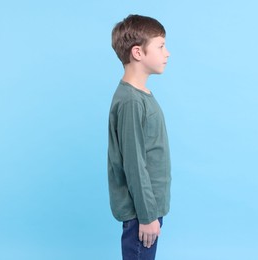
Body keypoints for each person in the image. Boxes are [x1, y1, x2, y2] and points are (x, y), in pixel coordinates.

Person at [107, 14, 172, 260]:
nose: (167, 53)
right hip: (141, 213)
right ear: (138, 53)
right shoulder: (132, 101)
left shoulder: (140, 95)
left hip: (149, 208)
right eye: (161, 46)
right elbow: (133, 163)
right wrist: (147, 216)